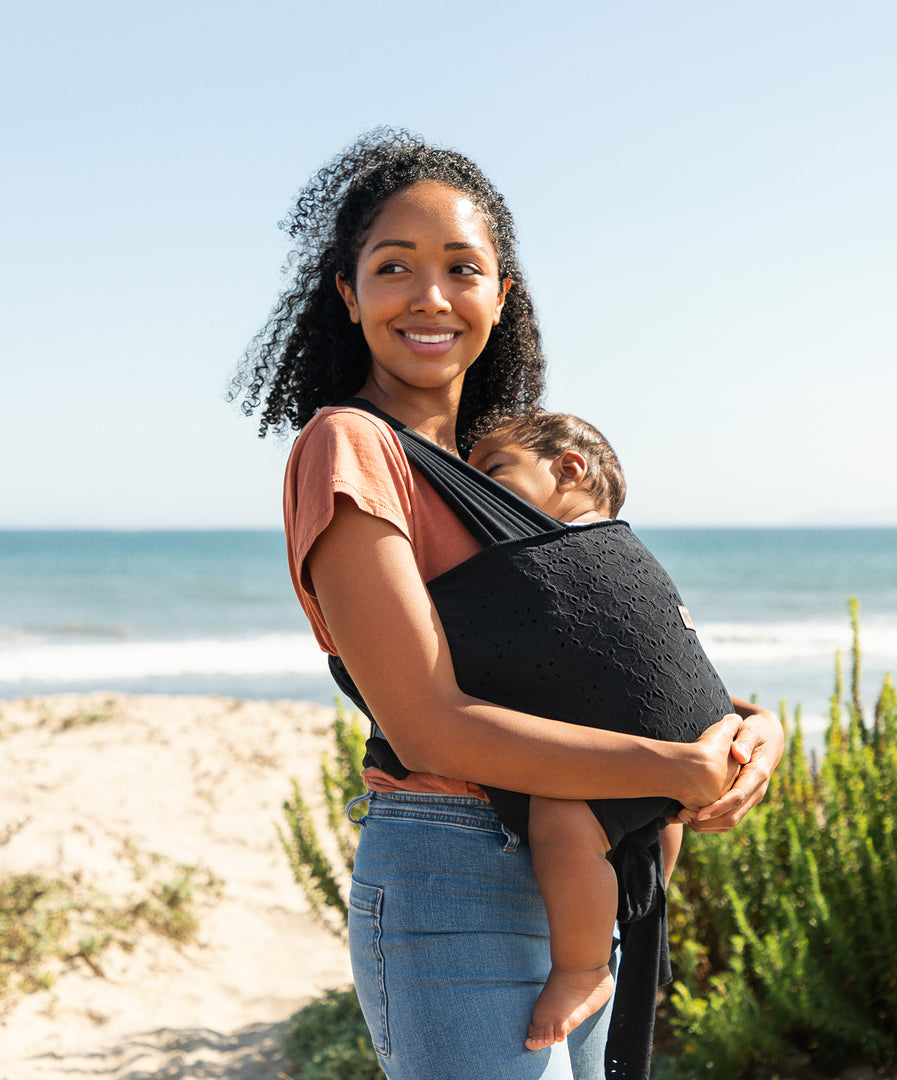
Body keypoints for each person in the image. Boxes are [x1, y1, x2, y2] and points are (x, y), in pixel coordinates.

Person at [234, 128, 784, 1080]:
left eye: (463, 267)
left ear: (502, 294)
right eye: (393, 266)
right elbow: (430, 724)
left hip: (589, 868)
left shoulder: (504, 468)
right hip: (459, 871)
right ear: (347, 293)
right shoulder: (350, 446)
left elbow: (604, 658)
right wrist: (669, 766)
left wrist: (748, 734)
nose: (431, 296)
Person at [468, 409, 689, 1049]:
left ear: (569, 471)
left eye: (494, 472)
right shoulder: (632, 555)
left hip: (632, 744)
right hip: (686, 735)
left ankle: (583, 968)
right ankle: (640, 894)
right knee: (657, 820)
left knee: (561, 816)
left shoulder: (556, 553)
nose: (476, 487)